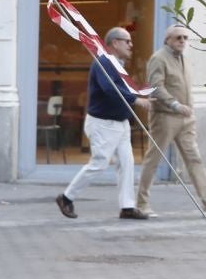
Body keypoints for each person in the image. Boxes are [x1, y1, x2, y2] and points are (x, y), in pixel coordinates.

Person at [134, 25, 206, 219]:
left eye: (185, 38)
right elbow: (156, 86)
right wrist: (174, 104)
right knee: (153, 159)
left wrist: (189, 109)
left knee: (194, 158)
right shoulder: (159, 58)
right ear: (167, 40)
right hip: (165, 116)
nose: (182, 41)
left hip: (186, 118)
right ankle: (141, 204)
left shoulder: (185, 60)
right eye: (178, 37)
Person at [56, 26, 158, 221]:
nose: (131, 45)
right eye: (127, 41)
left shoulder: (116, 64)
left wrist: (138, 95)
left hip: (120, 123)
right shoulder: (104, 62)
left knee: (126, 164)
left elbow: (120, 89)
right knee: (99, 163)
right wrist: (136, 100)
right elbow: (110, 89)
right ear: (115, 43)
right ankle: (66, 197)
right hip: (104, 124)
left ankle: (127, 207)